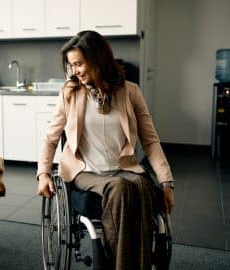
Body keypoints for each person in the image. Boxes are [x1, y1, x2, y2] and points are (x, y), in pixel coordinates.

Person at [36, 30, 174, 270]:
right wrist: (43, 174)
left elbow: (150, 141)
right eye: (71, 66)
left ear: (98, 59)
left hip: (121, 167)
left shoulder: (130, 91)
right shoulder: (69, 94)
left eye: (79, 63)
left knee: (141, 185)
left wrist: (166, 182)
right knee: (120, 188)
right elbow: (51, 139)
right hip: (86, 171)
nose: (75, 71)